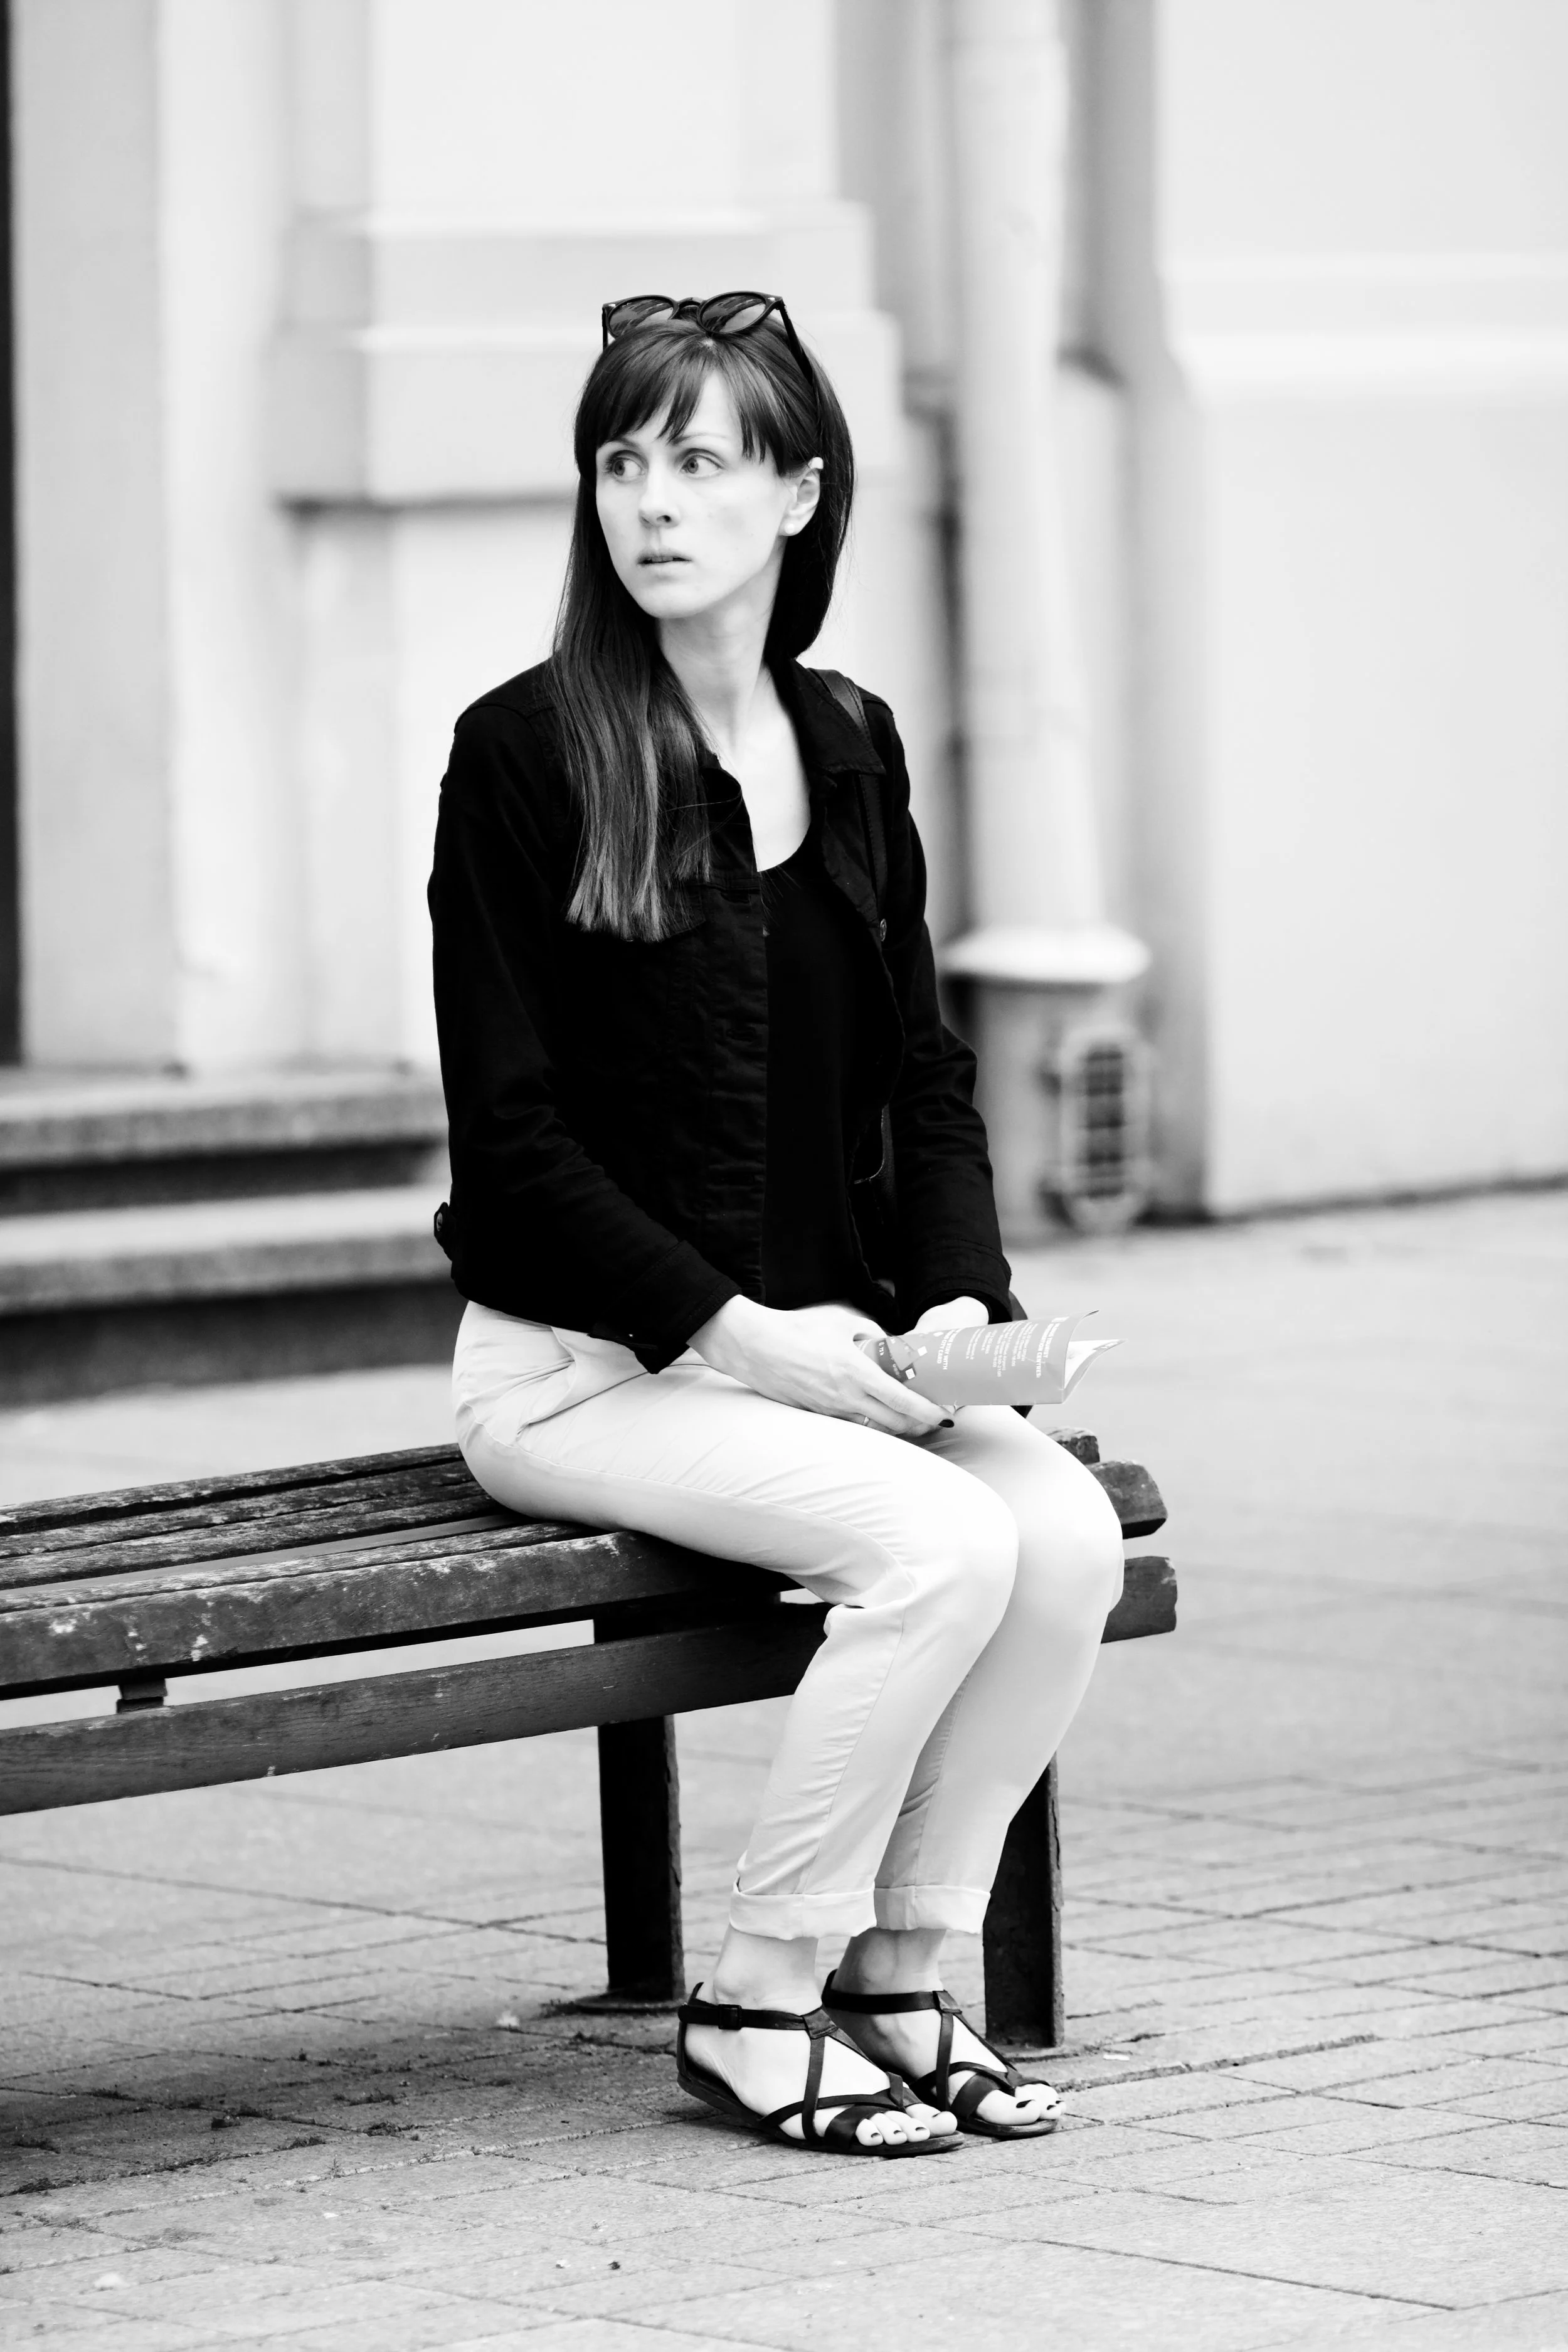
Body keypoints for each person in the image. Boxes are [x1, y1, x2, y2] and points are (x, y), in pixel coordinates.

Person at [428, 292, 1125, 2159]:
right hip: (583, 1373)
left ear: (799, 492)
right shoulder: (525, 756)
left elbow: (920, 1070)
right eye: (621, 458)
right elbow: (506, 1151)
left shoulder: (850, 739)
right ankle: (751, 1997)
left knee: (1054, 1532)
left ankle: (904, 1969)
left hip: (819, 1352)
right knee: (934, 1544)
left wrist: (960, 1295)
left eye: (703, 458)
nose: (652, 501)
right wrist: (736, 1328)